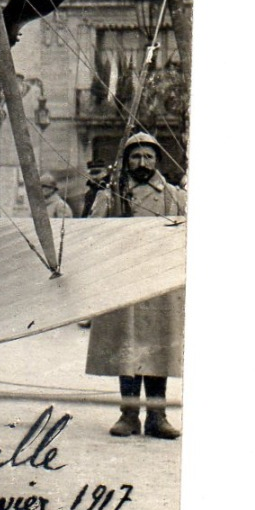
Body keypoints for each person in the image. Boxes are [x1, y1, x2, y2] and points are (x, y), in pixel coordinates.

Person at [87, 131, 185, 439]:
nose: (141, 163)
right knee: (126, 349)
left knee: (158, 348)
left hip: (160, 284)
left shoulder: (175, 196)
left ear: (157, 160)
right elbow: (93, 235)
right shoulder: (110, 195)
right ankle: (129, 416)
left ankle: (158, 416)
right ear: (127, 160)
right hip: (124, 281)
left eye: (148, 157)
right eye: (135, 156)